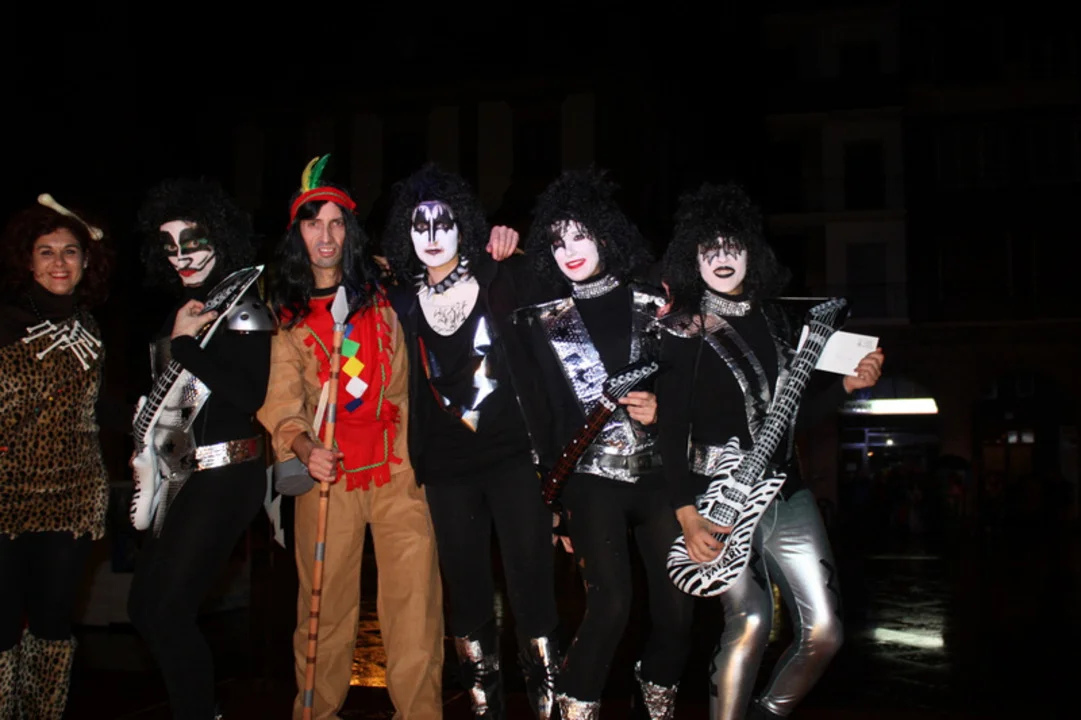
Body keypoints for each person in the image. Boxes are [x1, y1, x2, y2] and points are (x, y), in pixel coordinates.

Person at [656, 182, 884, 720]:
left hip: (787, 489)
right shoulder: (681, 329)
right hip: (715, 497)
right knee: (751, 619)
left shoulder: (779, 321)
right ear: (692, 257)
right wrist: (686, 514)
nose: (722, 258)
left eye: (732, 246)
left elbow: (793, 416)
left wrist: (847, 387)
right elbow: (670, 430)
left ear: (751, 252)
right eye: (709, 248)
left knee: (825, 631)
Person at [257, 156, 443, 720]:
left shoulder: (386, 289)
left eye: (337, 223)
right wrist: (304, 448)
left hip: (399, 469)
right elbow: (282, 404)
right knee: (323, 612)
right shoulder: (286, 314)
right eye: (314, 223)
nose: (326, 236)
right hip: (327, 477)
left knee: (415, 609)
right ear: (298, 233)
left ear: (350, 231)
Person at [514, 168, 694, 719]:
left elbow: (693, 386)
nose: (569, 250)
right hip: (589, 483)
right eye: (557, 241)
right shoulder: (541, 320)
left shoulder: (656, 303)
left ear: (606, 236)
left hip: (660, 477)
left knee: (678, 612)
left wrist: (663, 410)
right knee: (611, 605)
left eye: (580, 235)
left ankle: (656, 700)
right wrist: (556, 510)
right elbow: (544, 419)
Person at [382, 164, 560, 719]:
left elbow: (566, 287)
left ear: (465, 224)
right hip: (446, 470)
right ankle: (487, 711)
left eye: (445, 222)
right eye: (420, 224)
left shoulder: (502, 275)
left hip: (513, 459)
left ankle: (549, 710)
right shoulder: (401, 299)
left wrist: (517, 245)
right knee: (467, 600)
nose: (433, 235)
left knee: (532, 590)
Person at [126, 178, 274, 720]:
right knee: (145, 607)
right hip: (179, 478)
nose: (181, 255)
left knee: (165, 610)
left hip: (226, 475)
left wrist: (186, 344)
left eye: (192, 241)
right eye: (169, 246)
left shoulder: (246, 306)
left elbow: (249, 395)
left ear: (220, 236)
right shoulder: (184, 308)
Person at [0, 194, 112, 719]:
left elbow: (97, 410)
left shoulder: (90, 328)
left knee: (52, 624)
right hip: (6, 496)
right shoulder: (5, 323)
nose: (59, 263)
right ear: (28, 260)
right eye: (46, 252)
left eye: (70, 251)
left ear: (86, 260)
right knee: (2, 624)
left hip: (74, 496)